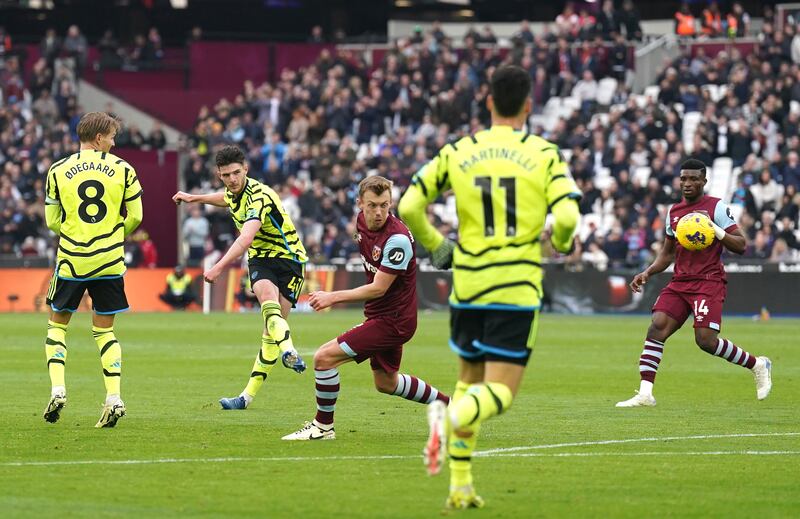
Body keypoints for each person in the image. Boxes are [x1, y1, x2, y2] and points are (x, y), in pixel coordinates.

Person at [397, 65, 581, 509]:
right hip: (515, 287)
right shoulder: (544, 153)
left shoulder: (459, 150)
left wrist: (441, 250)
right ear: (529, 105)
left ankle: (460, 484)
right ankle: (449, 417)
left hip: (468, 284)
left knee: (468, 380)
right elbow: (570, 218)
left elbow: (409, 204)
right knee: (499, 393)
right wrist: (558, 242)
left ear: (488, 101)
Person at [282, 176, 450, 440]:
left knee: (324, 358)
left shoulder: (397, 240)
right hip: (383, 316)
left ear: (391, 202)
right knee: (386, 383)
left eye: (385, 205)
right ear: (360, 203)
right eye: (372, 205)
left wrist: (332, 297)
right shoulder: (360, 222)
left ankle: (323, 427)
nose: (379, 212)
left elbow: (378, 288)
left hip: (393, 321)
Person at [616, 158, 772, 408]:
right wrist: (647, 272)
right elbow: (667, 254)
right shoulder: (674, 212)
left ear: (704, 181)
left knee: (706, 341)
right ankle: (646, 393)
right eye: (683, 179)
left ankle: (758, 364)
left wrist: (715, 230)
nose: (687, 184)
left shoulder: (716, 208)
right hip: (680, 281)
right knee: (656, 327)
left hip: (708, 281)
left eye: (693, 179)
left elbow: (741, 245)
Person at [172, 145, 308, 411]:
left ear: (246, 169)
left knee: (270, 332)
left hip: (290, 259)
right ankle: (289, 350)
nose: (232, 179)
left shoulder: (260, 196)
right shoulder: (233, 191)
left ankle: (247, 396)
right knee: (267, 301)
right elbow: (225, 198)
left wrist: (218, 266)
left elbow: (246, 237)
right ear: (219, 175)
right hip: (261, 258)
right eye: (226, 175)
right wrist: (194, 198)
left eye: (236, 173)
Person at [42, 111, 143, 428]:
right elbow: (137, 216)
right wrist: (114, 235)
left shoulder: (57, 170)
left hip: (72, 260)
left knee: (57, 326)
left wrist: (75, 233)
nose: (114, 142)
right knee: (104, 331)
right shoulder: (124, 170)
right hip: (110, 261)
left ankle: (58, 388)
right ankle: (114, 396)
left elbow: (51, 221)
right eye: (112, 136)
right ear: (98, 138)